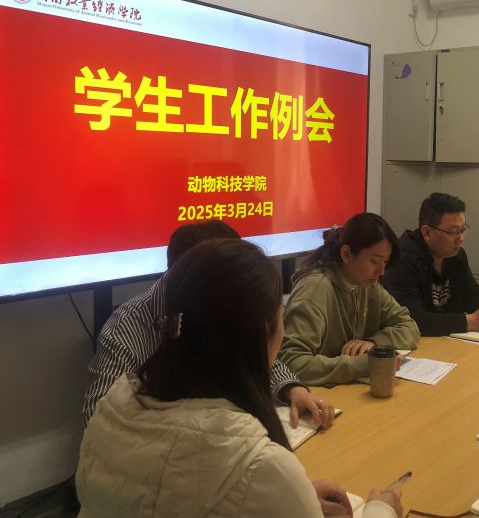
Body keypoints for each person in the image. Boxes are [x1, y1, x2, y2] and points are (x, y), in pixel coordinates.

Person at [76, 238, 402, 517]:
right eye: (281, 315)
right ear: (258, 335)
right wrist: (380, 510)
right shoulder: (260, 463)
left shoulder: (112, 409)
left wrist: (290, 499)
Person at [82, 220, 335, 432]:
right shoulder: (126, 326)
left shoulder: (223, 306)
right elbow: (98, 419)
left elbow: (252, 354)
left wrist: (292, 390)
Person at [279, 213, 420, 385]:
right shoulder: (315, 289)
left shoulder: (368, 285)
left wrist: (373, 343)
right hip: (319, 394)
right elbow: (291, 363)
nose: (381, 271)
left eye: (385, 262)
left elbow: (410, 327)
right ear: (346, 254)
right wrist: (365, 364)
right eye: (375, 262)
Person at [382, 192, 479, 336]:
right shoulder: (402, 259)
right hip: (415, 342)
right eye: (453, 232)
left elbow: (473, 296)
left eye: (463, 230)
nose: (461, 239)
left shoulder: (457, 256)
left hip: (447, 340)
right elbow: (413, 320)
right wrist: (472, 321)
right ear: (427, 232)